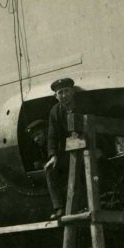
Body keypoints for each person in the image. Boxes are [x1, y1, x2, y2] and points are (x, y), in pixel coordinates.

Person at [44, 77, 82, 217]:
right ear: (56, 96)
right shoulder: (55, 111)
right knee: (50, 170)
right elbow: (52, 135)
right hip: (67, 151)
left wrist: (97, 147)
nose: (64, 95)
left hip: (86, 147)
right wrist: (53, 155)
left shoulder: (83, 105)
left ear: (73, 92)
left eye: (66, 91)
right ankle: (59, 207)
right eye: (60, 93)